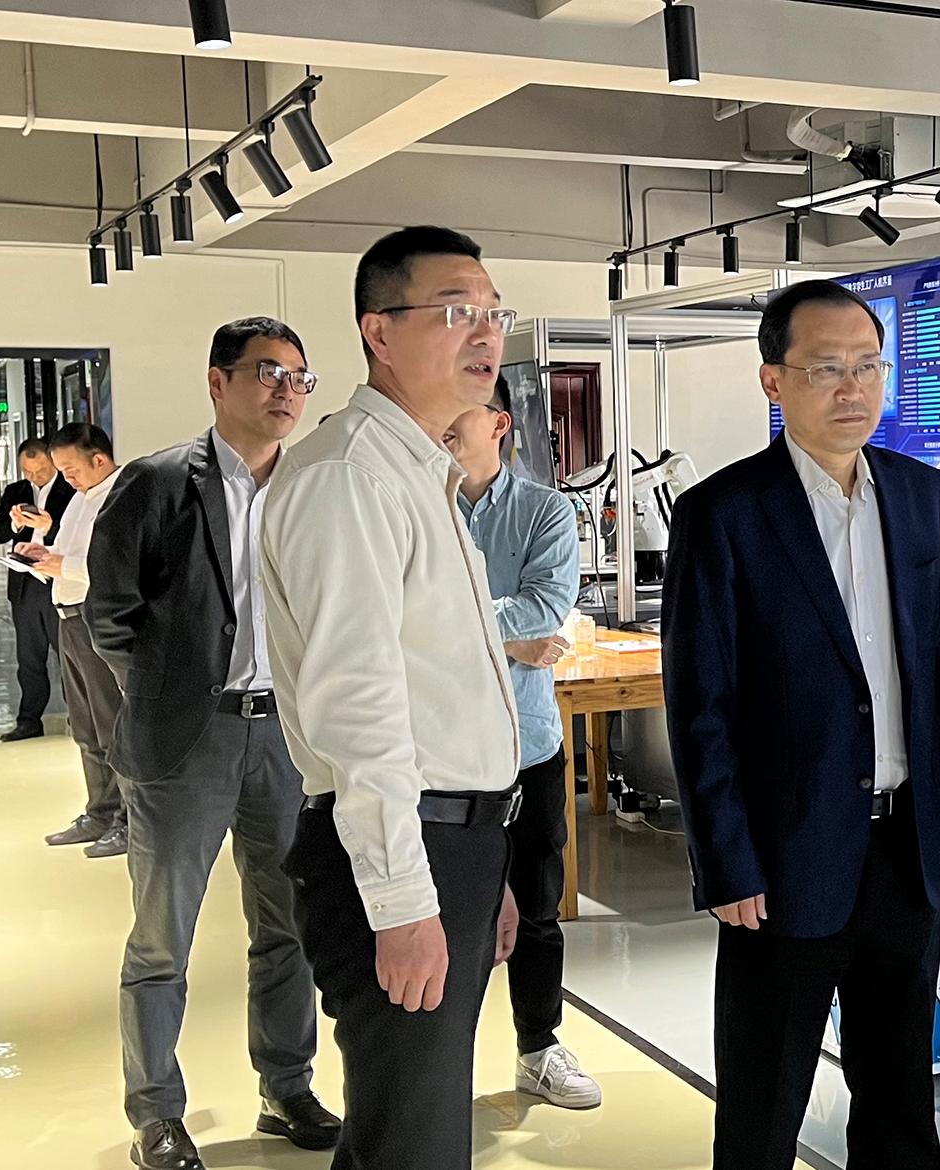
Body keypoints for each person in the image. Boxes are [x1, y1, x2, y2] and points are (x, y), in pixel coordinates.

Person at [660, 279, 940, 1170]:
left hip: (907, 848)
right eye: (827, 369)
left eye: (869, 367)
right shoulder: (724, 513)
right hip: (782, 856)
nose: (854, 388)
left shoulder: (923, 497)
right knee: (764, 1104)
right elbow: (700, 706)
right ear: (774, 381)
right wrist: (725, 860)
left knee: (899, 1098)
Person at [262, 225, 524, 1170]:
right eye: (456, 311)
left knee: (417, 1132)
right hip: (400, 848)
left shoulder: (419, 471)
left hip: (448, 842)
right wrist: (405, 900)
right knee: (410, 1144)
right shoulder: (349, 475)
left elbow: (441, 697)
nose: (485, 333)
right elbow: (359, 708)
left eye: (492, 312)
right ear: (378, 330)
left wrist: (483, 864)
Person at [85, 318, 339, 1170]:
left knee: (287, 926)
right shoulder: (158, 482)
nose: (286, 391)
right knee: (163, 938)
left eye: (299, 377)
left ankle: (287, 1086)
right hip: (185, 744)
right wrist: (170, 695)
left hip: (285, 740)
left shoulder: (310, 488)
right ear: (217, 381)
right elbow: (109, 614)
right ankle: (156, 1112)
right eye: (268, 372)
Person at [443, 373, 600, 1110]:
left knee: (537, 906)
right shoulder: (417, 508)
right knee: (450, 913)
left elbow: (545, 608)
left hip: (526, 742)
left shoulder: (544, 511)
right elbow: (396, 616)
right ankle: (441, 1067)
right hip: (440, 752)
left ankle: (539, 1045)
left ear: (499, 423)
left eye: (459, 410)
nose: (443, 423)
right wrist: (507, 640)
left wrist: (453, 622)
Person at [19, 423, 128, 858]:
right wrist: (42, 555)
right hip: (70, 618)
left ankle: (126, 821)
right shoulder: (81, 498)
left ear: (98, 459)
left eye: (70, 470)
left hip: (98, 618)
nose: (66, 479)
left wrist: (62, 567)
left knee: (111, 724)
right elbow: (69, 553)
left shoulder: (122, 496)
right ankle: (99, 813)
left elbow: (117, 566)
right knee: (85, 726)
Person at [0, 437, 74, 741]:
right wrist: (15, 525)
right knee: (28, 658)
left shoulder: (71, 489)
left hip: (58, 581)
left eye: (40, 471)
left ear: (52, 462)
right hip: (25, 585)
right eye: (28, 472)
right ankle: (29, 720)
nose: (34, 478)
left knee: (68, 656)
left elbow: (78, 536)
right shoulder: (16, 492)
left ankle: (78, 717)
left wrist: (48, 527)